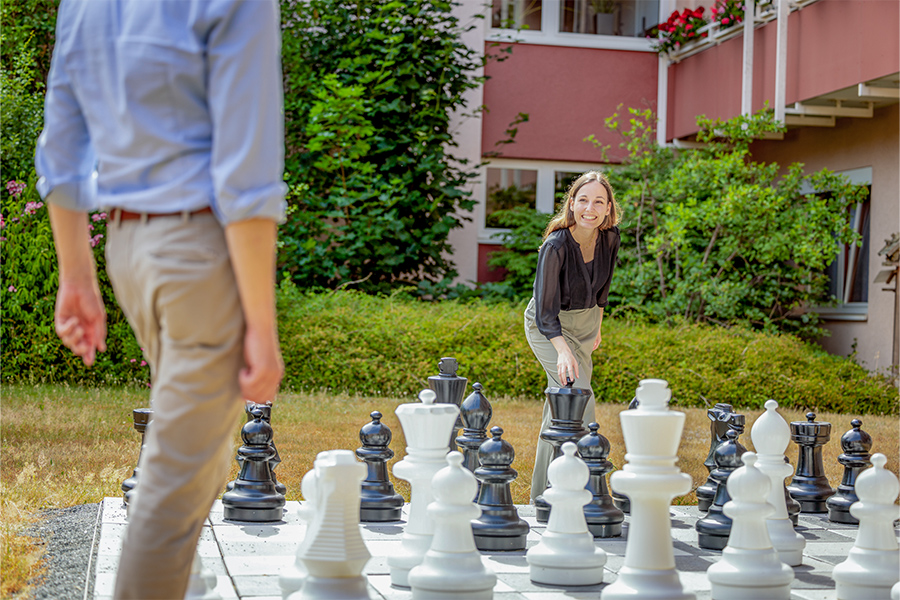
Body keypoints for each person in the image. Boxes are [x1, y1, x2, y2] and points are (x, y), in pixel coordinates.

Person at [35, 1, 286, 597]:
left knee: (183, 474)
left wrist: (77, 275)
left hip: (128, 251)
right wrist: (262, 326)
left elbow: (62, 146)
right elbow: (245, 173)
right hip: (199, 251)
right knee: (171, 502)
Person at [523, 171, 621, 501]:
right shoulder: (556, 246)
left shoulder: (610, 238)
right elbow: (545, 313)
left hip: (586, 324)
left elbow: (602, 289)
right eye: (583, 200)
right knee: (578, 397)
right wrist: (563, 351)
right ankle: (588, 491)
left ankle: (546, 495)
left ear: (608, 208)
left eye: (598, 201)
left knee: (560, 408)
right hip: (548, 328)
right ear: (571, 204)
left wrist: (599, 326)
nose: (589, 208)